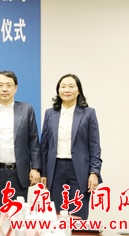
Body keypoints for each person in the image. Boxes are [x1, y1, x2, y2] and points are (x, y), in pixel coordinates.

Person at [40, 74, 102, 220]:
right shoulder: (50, 113)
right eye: (63, 86)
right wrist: (43, 173)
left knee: (78, 214)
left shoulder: (88, 113)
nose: (67, 90)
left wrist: (94, 172)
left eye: (71, 86)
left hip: (79, 170)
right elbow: (44, 145)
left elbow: (94, 145)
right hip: (55, 169)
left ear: (79, 90)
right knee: (57, 215)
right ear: (58, 90)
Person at [0, 70, 41, 205]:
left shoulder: (27, 109)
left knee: (18, 212)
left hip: (19, 172)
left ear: (15, 88)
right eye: (0, 85)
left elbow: (34, 141)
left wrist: (35, 168)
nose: (4, 89)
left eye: (9, 85)